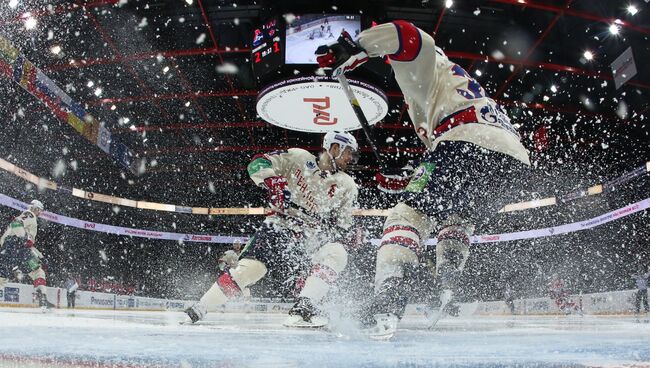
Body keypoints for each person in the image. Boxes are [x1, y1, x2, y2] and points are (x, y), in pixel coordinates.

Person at [316, 21, 531, 337]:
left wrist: (357, 47)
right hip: (512, 165)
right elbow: (443, 176)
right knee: (458, 217)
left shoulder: (427, 67)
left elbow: (410, 35)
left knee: (406, 215)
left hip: (463, 140)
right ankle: (448, 281)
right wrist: (407, 180)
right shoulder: (461, 85)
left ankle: (387, 300)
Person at [185, 131, 359, 327]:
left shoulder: (348, 185)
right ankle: (199, 308)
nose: (351, 158)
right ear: (335, 148)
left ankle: (304, 306)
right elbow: (257, 163)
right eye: (349, 152)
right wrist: (271, 180)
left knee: (337, 252)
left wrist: (348, 234)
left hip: (311, 238)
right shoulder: (298, 157)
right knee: (251, 270)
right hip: (280, 226)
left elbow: (342, 224)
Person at [0, 199, 53, 308]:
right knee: (37, 272)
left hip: (8, 248)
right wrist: (23, 238)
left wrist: (39, 254)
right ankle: (43, 299)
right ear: (36, 208)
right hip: (19, 248)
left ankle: (43, 299)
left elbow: (8, 236)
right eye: (40, 211)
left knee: (2, 277)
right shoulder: (30, 214)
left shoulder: (23, 217)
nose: (40, 213)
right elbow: (17, 225)